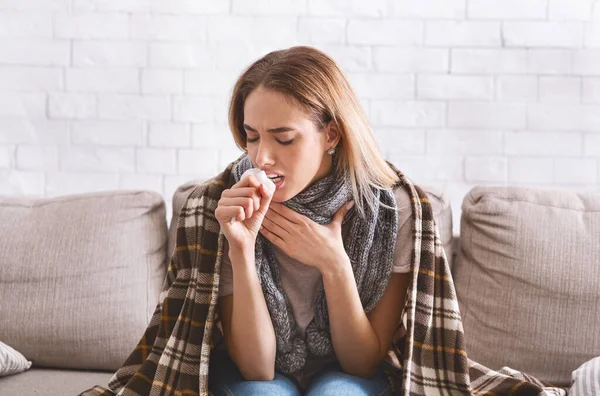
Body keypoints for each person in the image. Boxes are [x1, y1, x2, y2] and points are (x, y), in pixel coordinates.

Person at [211, 45, 413, 396]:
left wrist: (333, 264)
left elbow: (361, 364)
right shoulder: (230, 203)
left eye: (284, 138)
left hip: (344, 372)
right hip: (262, 374)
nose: (262, 157)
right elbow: (256, 368)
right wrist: (241, 250)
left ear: (331, 135)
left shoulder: (391, 210)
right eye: (252, 137)